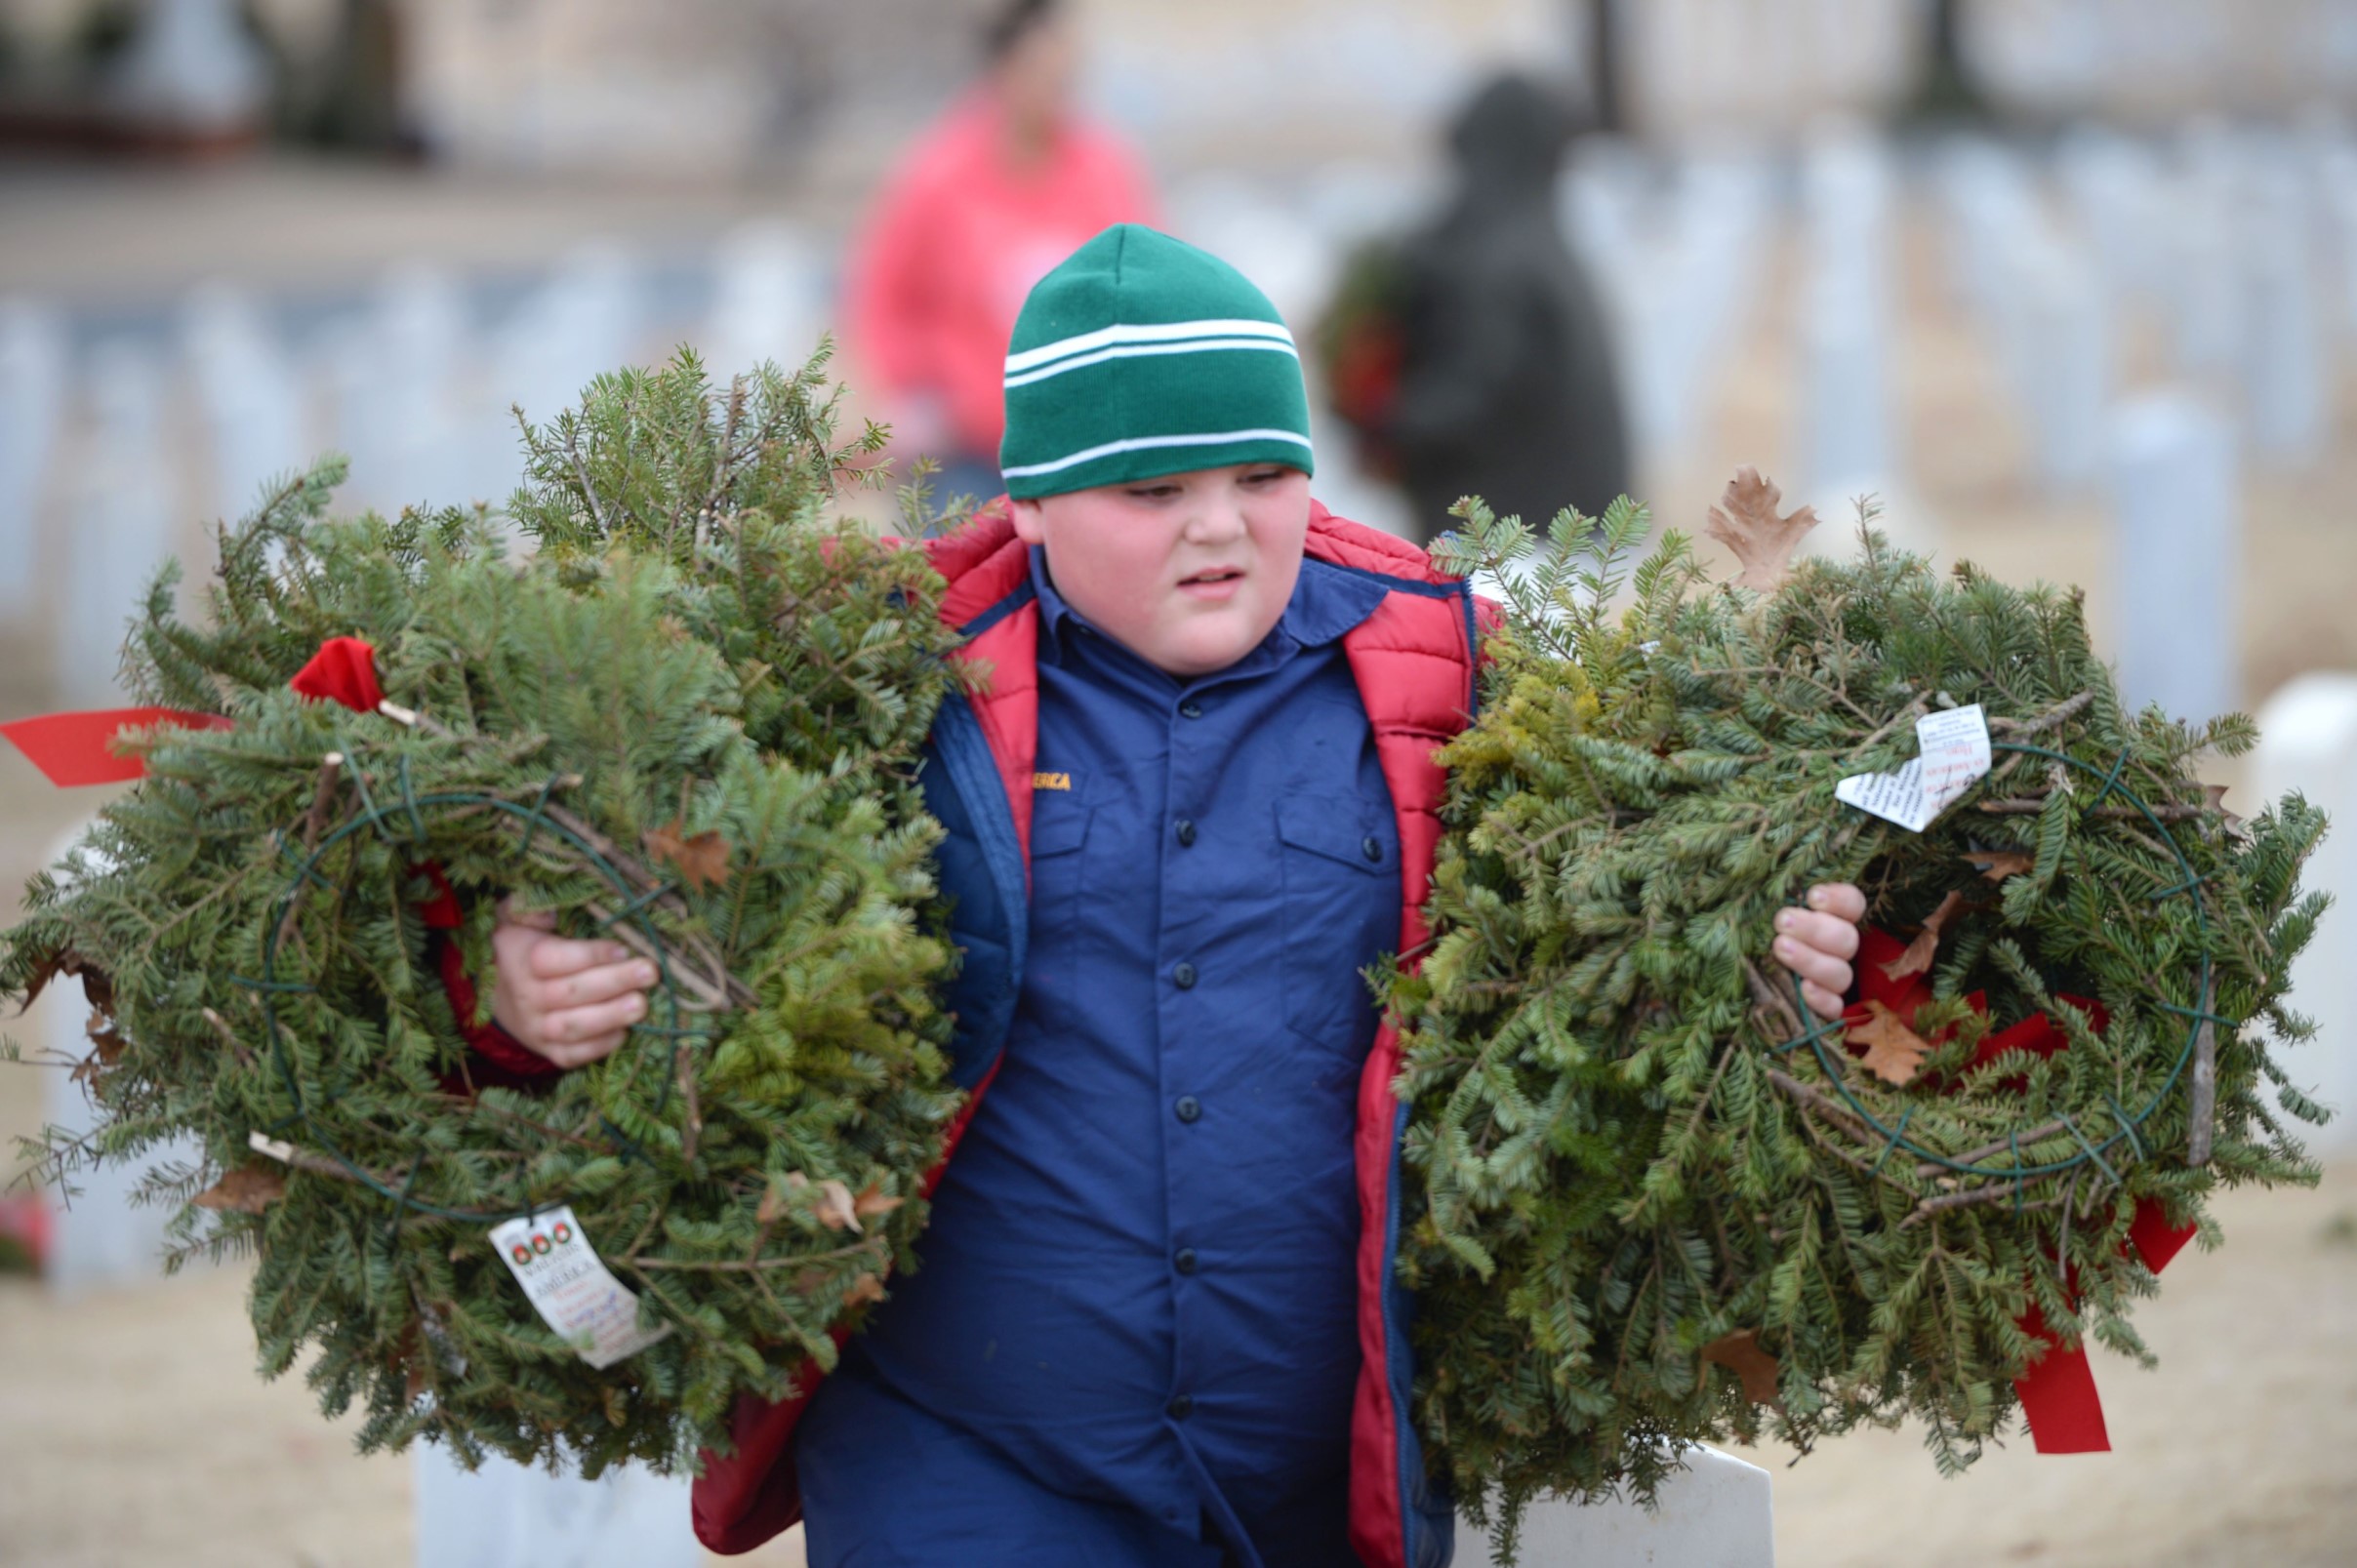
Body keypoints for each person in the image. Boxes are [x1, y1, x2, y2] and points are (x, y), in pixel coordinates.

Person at [470, 225, 1865, 1568]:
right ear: (1023, 497)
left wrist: (1766, 956)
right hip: (967, 1454)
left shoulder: (1449, 677)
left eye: (1261, 474)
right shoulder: (875, 687)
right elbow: (593, 873)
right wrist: (517, 979)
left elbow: (1636, 927)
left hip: (1322, 1469)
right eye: (1151, 491)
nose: (1219, 528)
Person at [842, 0, 1157, 510]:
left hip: (1082, 444)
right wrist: (915, 395)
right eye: (1041, 72)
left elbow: (1147, 282)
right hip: (967, 452)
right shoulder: (938, 175)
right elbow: (883, 297)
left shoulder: (1105, 168)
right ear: (1003, 71)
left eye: (1066, 75)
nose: (1055, 90)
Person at [1385, 71, 1630, 545]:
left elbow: (1468, 398)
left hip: (1516, 546)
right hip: (1582, 528)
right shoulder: (1540, 243)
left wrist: (1385, 421)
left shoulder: (1493, 263)